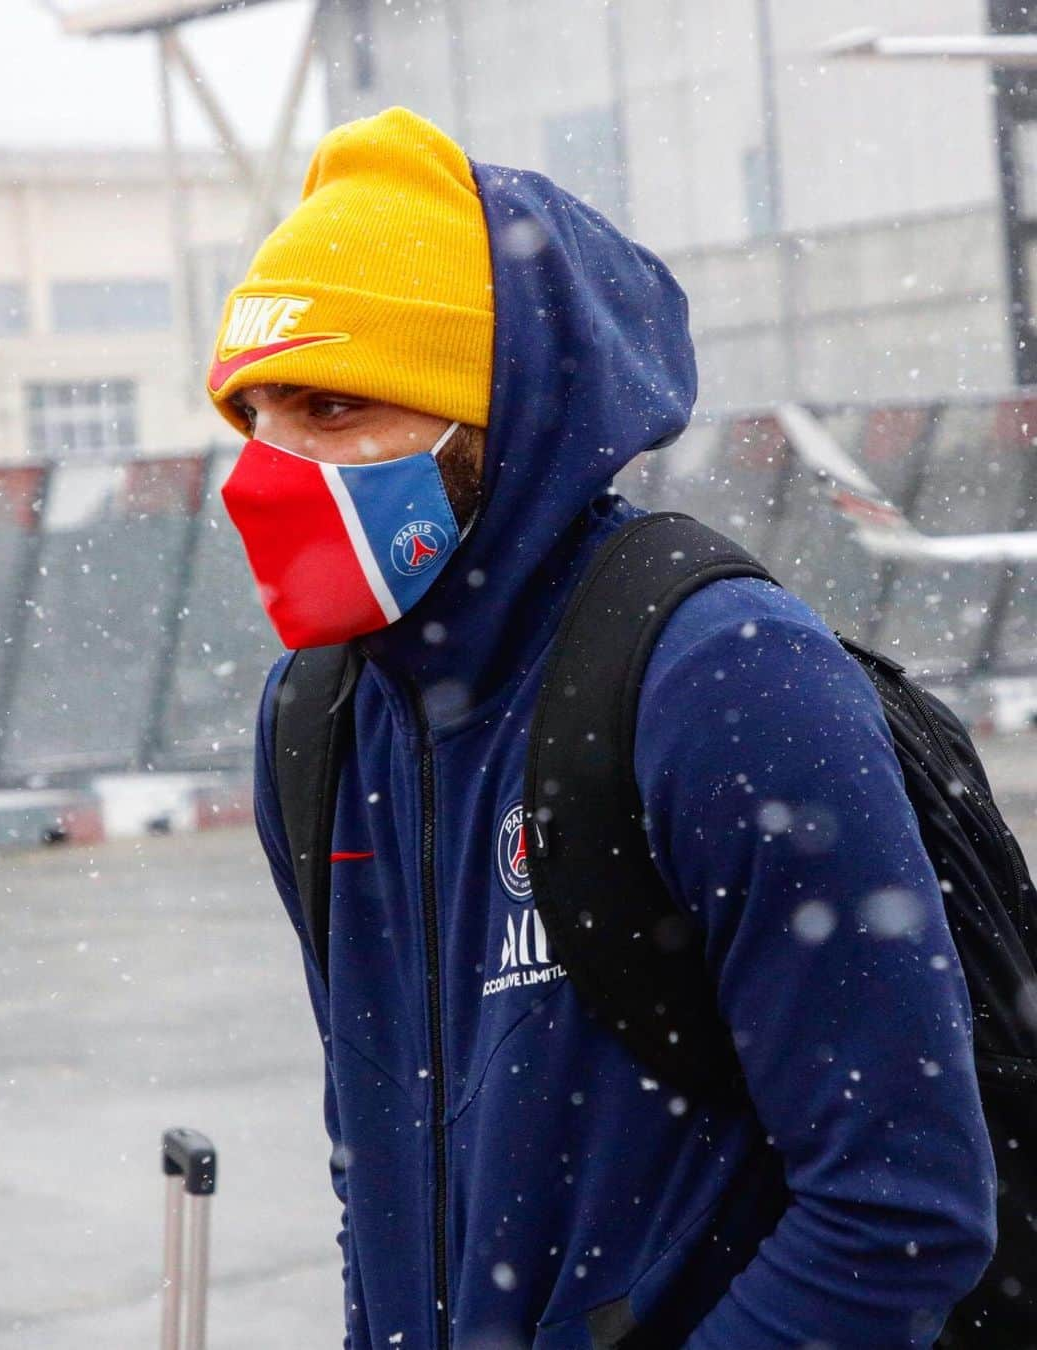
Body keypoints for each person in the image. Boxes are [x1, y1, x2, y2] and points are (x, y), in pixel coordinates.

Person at [207, 107, 995, 1348]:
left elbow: (900, 1213)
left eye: (332, 408)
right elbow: (377, 1165)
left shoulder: (726, 678)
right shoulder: (316, 725)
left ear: (494, 419)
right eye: (251, 414)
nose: (265, 468)